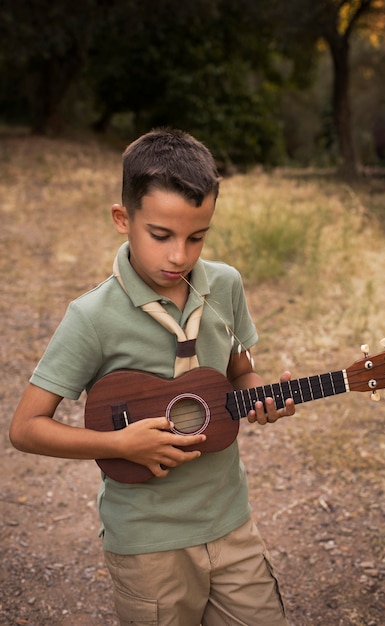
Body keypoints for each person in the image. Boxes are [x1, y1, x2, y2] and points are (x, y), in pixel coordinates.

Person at [10, 128, 295, 626]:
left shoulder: (225, 285)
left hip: (231, 524)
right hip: (148, 546)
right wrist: (121, 445)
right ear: (124, 219)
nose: (180, 256)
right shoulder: (92, 316)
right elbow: (25, 428)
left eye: (197, 236)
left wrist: (262, 397)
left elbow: (240, 370)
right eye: (161, 235)